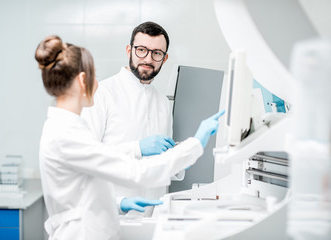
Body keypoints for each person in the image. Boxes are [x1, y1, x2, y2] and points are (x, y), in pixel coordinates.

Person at [36, 35, 224, 240]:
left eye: (157, 53)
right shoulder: (66, 135)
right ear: (82, 80)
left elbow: (88, 183)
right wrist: (196, 143)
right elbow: (136, 171)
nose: (97, 84)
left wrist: (119, 203)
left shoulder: (65, 128)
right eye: (94, 76)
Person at [81, 22, 181, 216]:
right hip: (108, 216)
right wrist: (136, 148)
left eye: (157, 53)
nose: (148, 58)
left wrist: (178, 160)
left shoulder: (162, 102)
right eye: (141, 50)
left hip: (151, 221)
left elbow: (161, 167)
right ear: (129, 50)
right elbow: (86, 157)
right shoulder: (102, 93)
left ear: (165, 58)